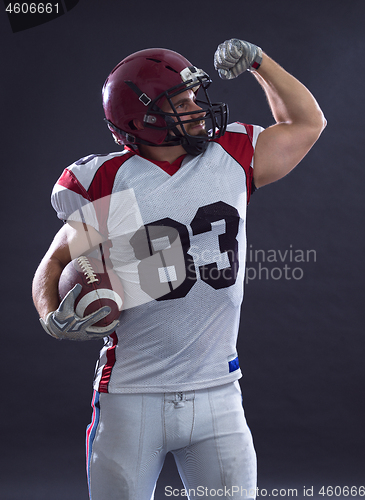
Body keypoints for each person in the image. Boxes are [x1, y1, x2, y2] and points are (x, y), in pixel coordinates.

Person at [32, 39, 326, 499]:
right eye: (182, 102)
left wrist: (260, 62)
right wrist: (51, 315)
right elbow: (55, 262)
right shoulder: (107, 180)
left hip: (218, 391)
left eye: (194, 97)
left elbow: (307, 123)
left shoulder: (229, 155)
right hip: (131, 394)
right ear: (144, 118)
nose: (198, 109)